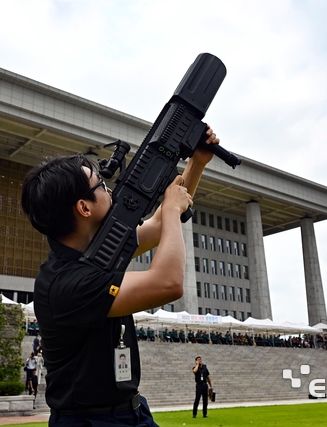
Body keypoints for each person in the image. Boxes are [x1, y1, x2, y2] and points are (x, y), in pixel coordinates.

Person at [22, 126, 218, 425]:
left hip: (129, 411)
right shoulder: (67, 284)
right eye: (100, 185)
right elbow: (168, 283)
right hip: (93, 421)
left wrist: (197, 162)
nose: (109, 190)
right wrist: (171, 208)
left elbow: (156, 229)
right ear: (84, 207)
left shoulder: (95, 255)